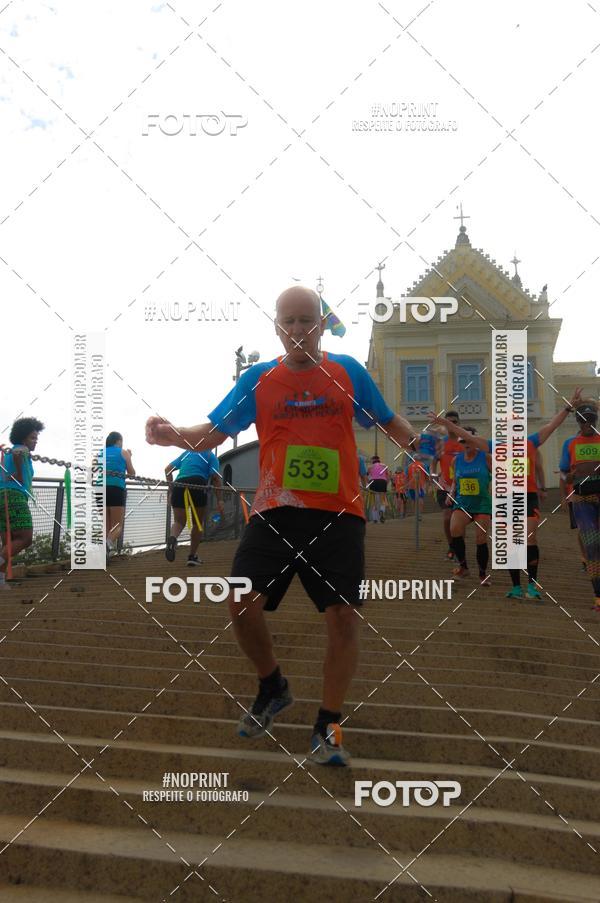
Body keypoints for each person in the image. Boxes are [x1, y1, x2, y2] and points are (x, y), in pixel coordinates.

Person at [146, 285, 418, 766]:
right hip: (274, 509)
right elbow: (213, 432)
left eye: (307, 321)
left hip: (339, 513)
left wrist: (419, 447)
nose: (298, 330)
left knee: (343, 618)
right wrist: (173, 437)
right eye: (288, 321)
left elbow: (389, 420)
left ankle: (327, 724)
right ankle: (273, 685)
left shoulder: (347, 371)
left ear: (320, 325)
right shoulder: (259, 378)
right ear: (276, 326)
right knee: (240, 600)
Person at [502, 389, 582, 600]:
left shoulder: (530, 443)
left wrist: (567, 407)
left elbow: (551, 426)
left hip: (528, 497)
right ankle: (516, 587)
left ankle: (532, 586)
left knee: (529, 538)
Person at [563, 400, 600, 611]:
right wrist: (571, 476)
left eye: (592, 419)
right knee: (593, 544)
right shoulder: (570, 444)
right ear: (578, 422)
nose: (588, 424)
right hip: (582, 500)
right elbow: (565, 477)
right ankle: (598, 595)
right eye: (584, 420)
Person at [0, 418, 44, 590]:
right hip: (14, 496)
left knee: (8, 542)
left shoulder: (8, 453)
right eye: (33, 438)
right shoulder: (20, 449)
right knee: (25, 538)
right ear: (23, 438)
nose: (35, 442)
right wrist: (19, 474)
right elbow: (20, 456)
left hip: (1, 495)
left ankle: (1, 582)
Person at [446, 427, 492, 585]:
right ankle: (463, 567)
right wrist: (451, 492)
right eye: (463, 441)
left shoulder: (486, 458)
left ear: (476, 442)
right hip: (463, 503)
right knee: (454, 529)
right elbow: (455, 480)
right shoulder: (456, 460)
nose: (466, 444)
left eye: (469, 440)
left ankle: (482, 573)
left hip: (482, 503)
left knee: (481, 538)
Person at [165, 450, 224, 565]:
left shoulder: (187, 453)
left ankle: (172, 539)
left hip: (179, 484)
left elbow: (167, 470)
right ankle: (192, 557)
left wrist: (171, 490)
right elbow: (215, 478)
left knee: (179, 522)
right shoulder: (211, 456)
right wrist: (220, 500)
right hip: (198, 483)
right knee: (197, 523)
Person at [97, 432, 135, 561]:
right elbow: (132, 473)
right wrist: (130, 456)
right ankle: (106, 546)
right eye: (121, 441)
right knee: (117, 526)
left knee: (106, 526)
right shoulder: (123, 452)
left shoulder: (100, 453)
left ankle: (104, 555)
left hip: (100, 488)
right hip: (116, 488)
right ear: (118, 441)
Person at [434, 411, 463, 560]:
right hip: (445, 486)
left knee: (459, 521)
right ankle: (452, 546)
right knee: (447, 518)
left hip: (462, 487)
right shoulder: (441, 443)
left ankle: (459, 548)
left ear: (459, 423)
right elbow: (434, 459)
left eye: (454, 422)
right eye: (448, 422)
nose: (451, 425)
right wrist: (433, 475)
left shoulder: (465, 441)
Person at [367, 455, 389, 523]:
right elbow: (388, 475)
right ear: (379, 460)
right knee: (383, 499)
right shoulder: (384, 466)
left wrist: (368, 483)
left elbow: (367, 476)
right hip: (383, 482)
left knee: (374, 501)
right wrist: (386, 483)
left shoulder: (370, 467)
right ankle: (382, 510)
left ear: (373, 460)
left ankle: (375, 518)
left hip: (373, 482)